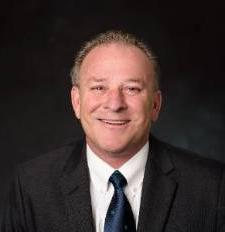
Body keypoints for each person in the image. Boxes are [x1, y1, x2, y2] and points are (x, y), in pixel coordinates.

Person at [1, 30, 225, 232]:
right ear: (76, 102)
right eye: (99, 87)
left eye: (132, 88)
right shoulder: (31, 185)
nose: (115, 104)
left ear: (155, 105)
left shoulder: (213, 188)